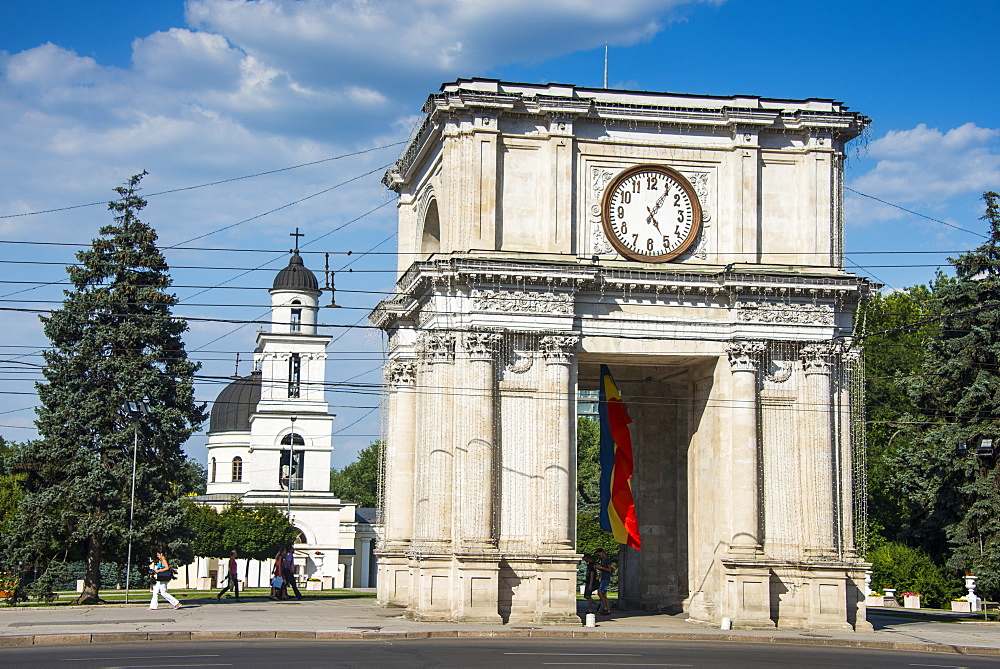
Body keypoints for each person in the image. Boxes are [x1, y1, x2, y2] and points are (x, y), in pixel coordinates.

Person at [594, 548, 613, 615]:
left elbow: (609, 569)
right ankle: (608, 609)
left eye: (599, 555)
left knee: (600, 592)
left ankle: (605, 607)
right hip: (603, 578)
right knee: (604, 594)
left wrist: (600, 568)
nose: (599, 556)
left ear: (602, 553)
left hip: (606, 579)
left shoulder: (607, 560)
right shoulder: (603, 560)